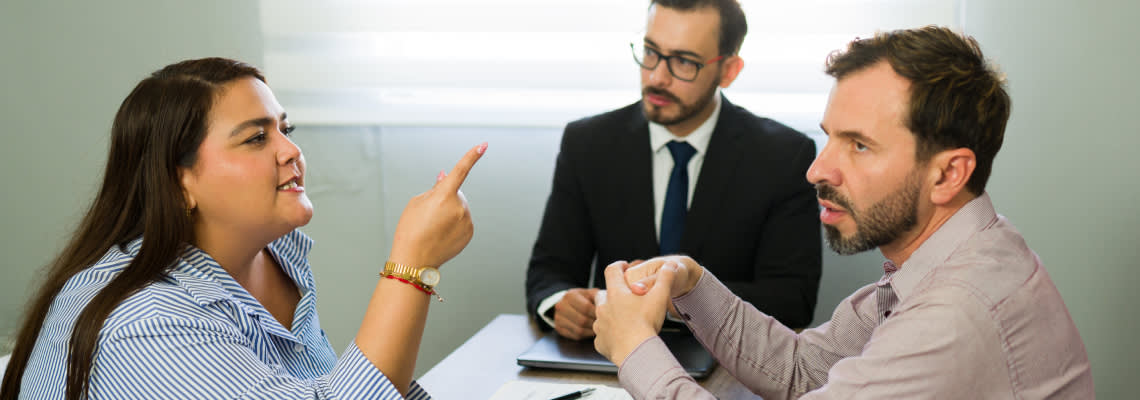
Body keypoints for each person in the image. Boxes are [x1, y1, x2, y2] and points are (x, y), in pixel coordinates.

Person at [593, 26, 1094, 399]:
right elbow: (804, 370)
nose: (817, 170)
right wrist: (692, 284)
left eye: (858, 145)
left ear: (948, 174)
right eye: (830, 135)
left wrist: (634, 347)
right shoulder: (962, 253)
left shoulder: (953, 319)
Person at [0, 58, 486, 400]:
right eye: (256, 137)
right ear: (179, 179)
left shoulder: (275, 258)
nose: (290, 151)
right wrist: (412, 264)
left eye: (284, 129)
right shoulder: (142, 322)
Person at [526, 0, 821, 340]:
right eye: (651, 52)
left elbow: (792, 299)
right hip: (609, 359)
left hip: (727, 365)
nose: (656, 77)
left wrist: (676, 296)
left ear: (729, 70)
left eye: (684, 61)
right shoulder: (588, 143)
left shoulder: (783, 156)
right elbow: (548, 273)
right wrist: (561, 303)